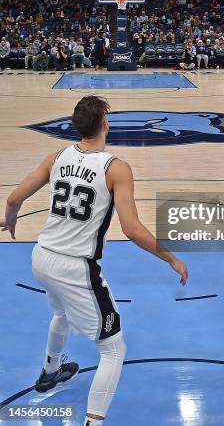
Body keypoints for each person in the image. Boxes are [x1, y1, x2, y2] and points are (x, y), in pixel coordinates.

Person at [0, 96, 188, 425]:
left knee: (60, 312)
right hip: (75, 268)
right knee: (114, 350)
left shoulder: (57, 156)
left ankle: (50, 371)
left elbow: (14, 197)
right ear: (105, 124)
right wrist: (170, 257)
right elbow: (131, 229)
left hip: (41, 257)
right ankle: (93, 421)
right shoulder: (115, 168)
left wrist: (11, 219)